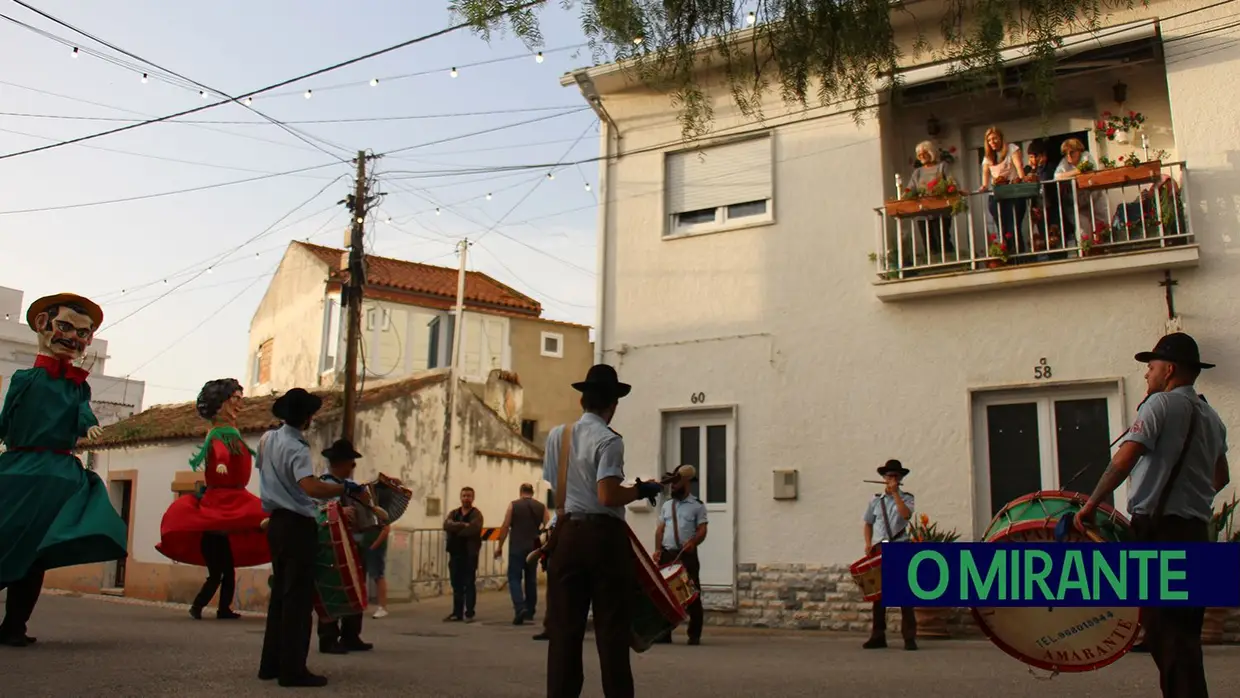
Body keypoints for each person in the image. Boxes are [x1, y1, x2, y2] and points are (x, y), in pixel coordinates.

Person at [1074, 333, 1229, 698]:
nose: (1147, 374)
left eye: (1151, 366)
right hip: (1195, 532)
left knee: (1166, 635)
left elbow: (1122, 461)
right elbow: (1221, 477)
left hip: (1160, 532)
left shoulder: (1158, 405)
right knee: (1185, 635)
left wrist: (1092, 504)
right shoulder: (1212, 416)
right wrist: (1193, 496)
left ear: (1169, 370)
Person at [0, 294, 128, 647]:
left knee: (35, 556)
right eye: (66, 327)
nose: (75, 338)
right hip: (22, 468)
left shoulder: (77, 384)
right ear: (43, 325)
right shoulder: (24, 379)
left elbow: (82, 413)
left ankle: (14, 626)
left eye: (83, 333)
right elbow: (6, 420)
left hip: (56, 473)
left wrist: (88, 426)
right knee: (8, 543)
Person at [543, 364, 663, 698]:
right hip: (603, 539)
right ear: (612, 405)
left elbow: (557, 488)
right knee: (612, 631)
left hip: (566, 534)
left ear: (583, 400)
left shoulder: (558, 436)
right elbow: (608, 495)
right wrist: (641, 490)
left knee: (564, 632)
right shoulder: (609, 440)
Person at [256, 388, 360, 688]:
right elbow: (310, 487)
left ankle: (270, 663)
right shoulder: (297, 447)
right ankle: (292, 670)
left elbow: (265, 474)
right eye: (311, 414)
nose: (313, 418)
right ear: (305, 417)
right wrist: (344, 489)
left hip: (276, 523)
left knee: (280, 597)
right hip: (297, 524)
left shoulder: (266, 439)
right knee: (298, 601)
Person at [155, 378, 270, 621]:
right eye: (235, 399)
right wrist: (219, 463)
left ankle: (223, 609)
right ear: (221, 403)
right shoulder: (218, 433)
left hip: (225, 519)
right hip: (215, 528)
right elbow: (218, 449)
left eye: (240, 398)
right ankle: (199, 607)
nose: (239, 404)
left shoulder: (232, 432)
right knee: (218, 573)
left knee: (226, 573)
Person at [315, 438, 374, 655]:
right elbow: (319, 513)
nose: (353, 467)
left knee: (354, 586)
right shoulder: (325, 485)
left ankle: (351, 634)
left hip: (352, 544)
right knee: (333, 590)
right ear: (341, 463)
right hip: (331, 546)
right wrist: (340, 512)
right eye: (351, 463)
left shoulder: (349, 488)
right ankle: (329, 637)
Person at [862, 459, 917, 651]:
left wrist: (895, 494)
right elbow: (868, 523)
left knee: (904, 594)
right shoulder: (875, 501)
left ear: (900, 478)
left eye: (896, 476)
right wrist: (868, 543)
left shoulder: (907, 498)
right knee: (878, 595)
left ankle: (909, 637)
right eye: (889, 476)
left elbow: (905, 516)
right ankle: (878, 636)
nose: (892, 479)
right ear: (884, 478)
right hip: (880, 548)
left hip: (900, 547)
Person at [654, 464, 707, 645]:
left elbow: (702, 529)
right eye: (671, 484)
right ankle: (664, 633)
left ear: (685, 483)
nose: (672, 487)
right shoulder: (667, 506)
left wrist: (694, 542)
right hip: (668, 554)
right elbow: (660, 530)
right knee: (666, 596)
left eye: (676, 483)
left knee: (692, 593)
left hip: (687, 555)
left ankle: (694, 634)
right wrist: (657, 551)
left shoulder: (697, 506)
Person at [495, 483, 550, 625]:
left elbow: (506, 525)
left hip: (517, 547)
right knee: (531, 578)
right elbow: (549, 525)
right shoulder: (541, 507)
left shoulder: (513, 505)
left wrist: (499, 546)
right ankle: (530, 610)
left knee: (514, 577)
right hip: (533, 547)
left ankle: (520, 607)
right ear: (532, 492)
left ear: (520, 492)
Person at [443, 487, 483, 622]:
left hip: (470, 554)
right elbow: (446, 525)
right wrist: (462, 525)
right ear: (460, 497)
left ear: (473, 498)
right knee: (456, 584)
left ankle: (469, 612)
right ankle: (457, 612)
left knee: (469, 583)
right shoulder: (454, 513)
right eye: (464, 496)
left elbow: (473, 529)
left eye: (469, 496)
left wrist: (457, 529)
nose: (466, 498)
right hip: (455, 553)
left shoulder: (476, 514)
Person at [367, 522, 390, 620]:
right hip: (366, 542)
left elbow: (386, 528)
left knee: (378, 575)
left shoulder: (378, 511)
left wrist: (374, 545)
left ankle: (382, 607)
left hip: (375, 545)